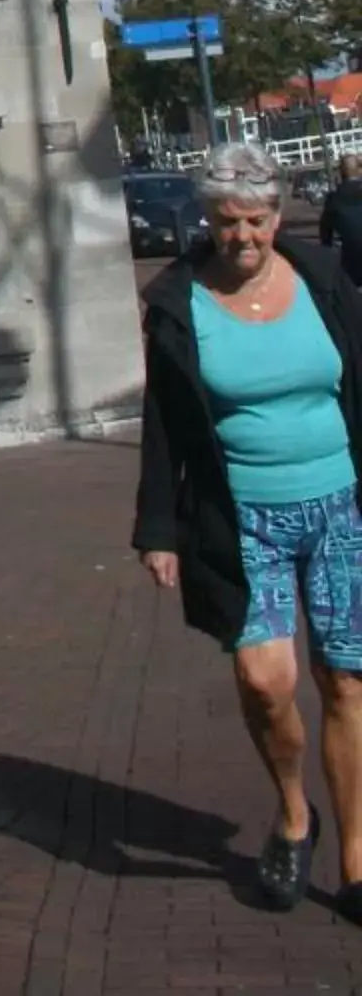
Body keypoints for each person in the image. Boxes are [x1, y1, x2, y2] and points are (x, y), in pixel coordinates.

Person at [136, 140, 362, 918]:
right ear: (207, 217)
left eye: (258, 221)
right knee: (266, 682)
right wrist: (158, 527)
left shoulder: (326, 282)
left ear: (277, 214)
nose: (244, 237)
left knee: (344, 679)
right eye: (228, 222)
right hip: (242, 518)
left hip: (340, 508)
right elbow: (164, 422)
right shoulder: (178, 304)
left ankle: (357, 861)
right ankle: (296, 815)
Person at [321, 157, 362, 289]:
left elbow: (325, 234)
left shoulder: (334, 199)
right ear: (359, 171)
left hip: (353, 262)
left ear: (340, 173)